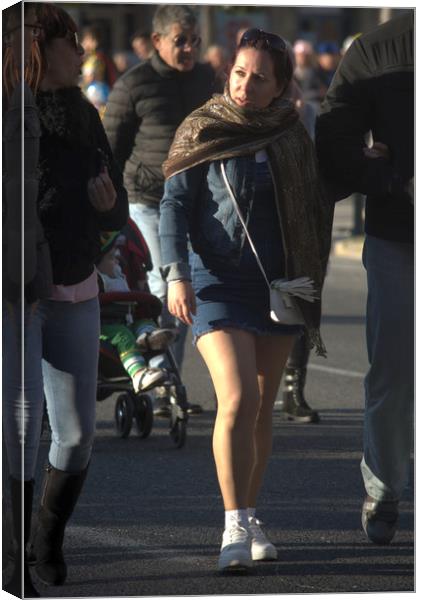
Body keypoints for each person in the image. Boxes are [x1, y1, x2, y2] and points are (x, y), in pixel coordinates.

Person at [159, 28, 333, 571]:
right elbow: (173, 206)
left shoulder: (289, 132)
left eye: (260, 78)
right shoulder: (204, 126)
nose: (245, 85)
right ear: (228, 71)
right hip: (215, 283)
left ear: (281, 86)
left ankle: (251, 513)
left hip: (276, 286)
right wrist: (176, 274)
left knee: (260, 409)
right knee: (236, 400)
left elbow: (311, 205)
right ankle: (233, 523)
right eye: (240, 72)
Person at [3, 3, 128, 594]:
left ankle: (43, 541)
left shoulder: (84, 114)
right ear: (37, 48)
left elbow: (119, 203)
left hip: (77, 287)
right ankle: (14, 558)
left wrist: (108, 208)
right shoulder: (9, 117)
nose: (81, 52)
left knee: (76, 435)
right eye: (70, 42)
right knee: (23, 432)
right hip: (20, 293)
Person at [316, 12, 414, 545]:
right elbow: (335, 134)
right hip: (399, 234)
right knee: (396, 371)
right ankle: (384, 488)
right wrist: (388, 176)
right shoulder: (376, 49)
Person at [103, 5, 217, 415]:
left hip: (195, 203)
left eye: (195, 41)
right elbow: (108, 151)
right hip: (145, 202)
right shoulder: (134, 85)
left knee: (185, 291)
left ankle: (170, 382)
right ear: (157, 41)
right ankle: (152, 372)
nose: (188, 48)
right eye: (179, 40)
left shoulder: (207, 79)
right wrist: (107, 214)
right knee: (163, 285)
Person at [2, 3, 50, 596]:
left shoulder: (24, 94)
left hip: (20, 282)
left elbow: (28, 198)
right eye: (28, 26)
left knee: (23, 424)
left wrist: (35, 278)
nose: (35, 38)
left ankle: (16, 565)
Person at [97, 240, 176, 394]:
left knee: (143, 322)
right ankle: (138, 373)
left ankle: (148, 338)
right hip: (103, 329)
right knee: (123, 335)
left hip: (125, 321)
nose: (116, 262)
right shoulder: (97, 279)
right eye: (111, 258)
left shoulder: (119, 275)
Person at [80, 24, 118, 115]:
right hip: (105, 98)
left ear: (94, 41)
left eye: (86, 39)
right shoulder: (105, 57)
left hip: (96, 100)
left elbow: (88, 79)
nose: (83, 43)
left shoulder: (95, 59)